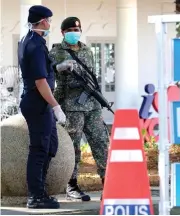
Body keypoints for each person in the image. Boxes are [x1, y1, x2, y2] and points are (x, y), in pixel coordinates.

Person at [18, 5, 74, 209]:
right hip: (38, 102)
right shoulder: (34, 44)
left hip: (39, 103)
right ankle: (35, 196)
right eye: (49, 20)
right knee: (39, 149)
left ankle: (40, 192)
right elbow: (40, 82)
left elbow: (42, 70)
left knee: (50, 146)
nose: (50, 23)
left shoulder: (30, 40)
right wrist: (56, 106)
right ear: (42, 21)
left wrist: (58, 68)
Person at [49, 17, 109, 201]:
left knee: (101, 143)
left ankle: (108, 183)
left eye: (77, 29)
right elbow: (48, 74)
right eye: (70, 30)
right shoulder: (56, 52)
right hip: (71, 106)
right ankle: (72, 185)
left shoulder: (87, 50)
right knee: (73, 147)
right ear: (63, 33)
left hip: (92, 105)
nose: (75, 32)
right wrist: (59, 68)